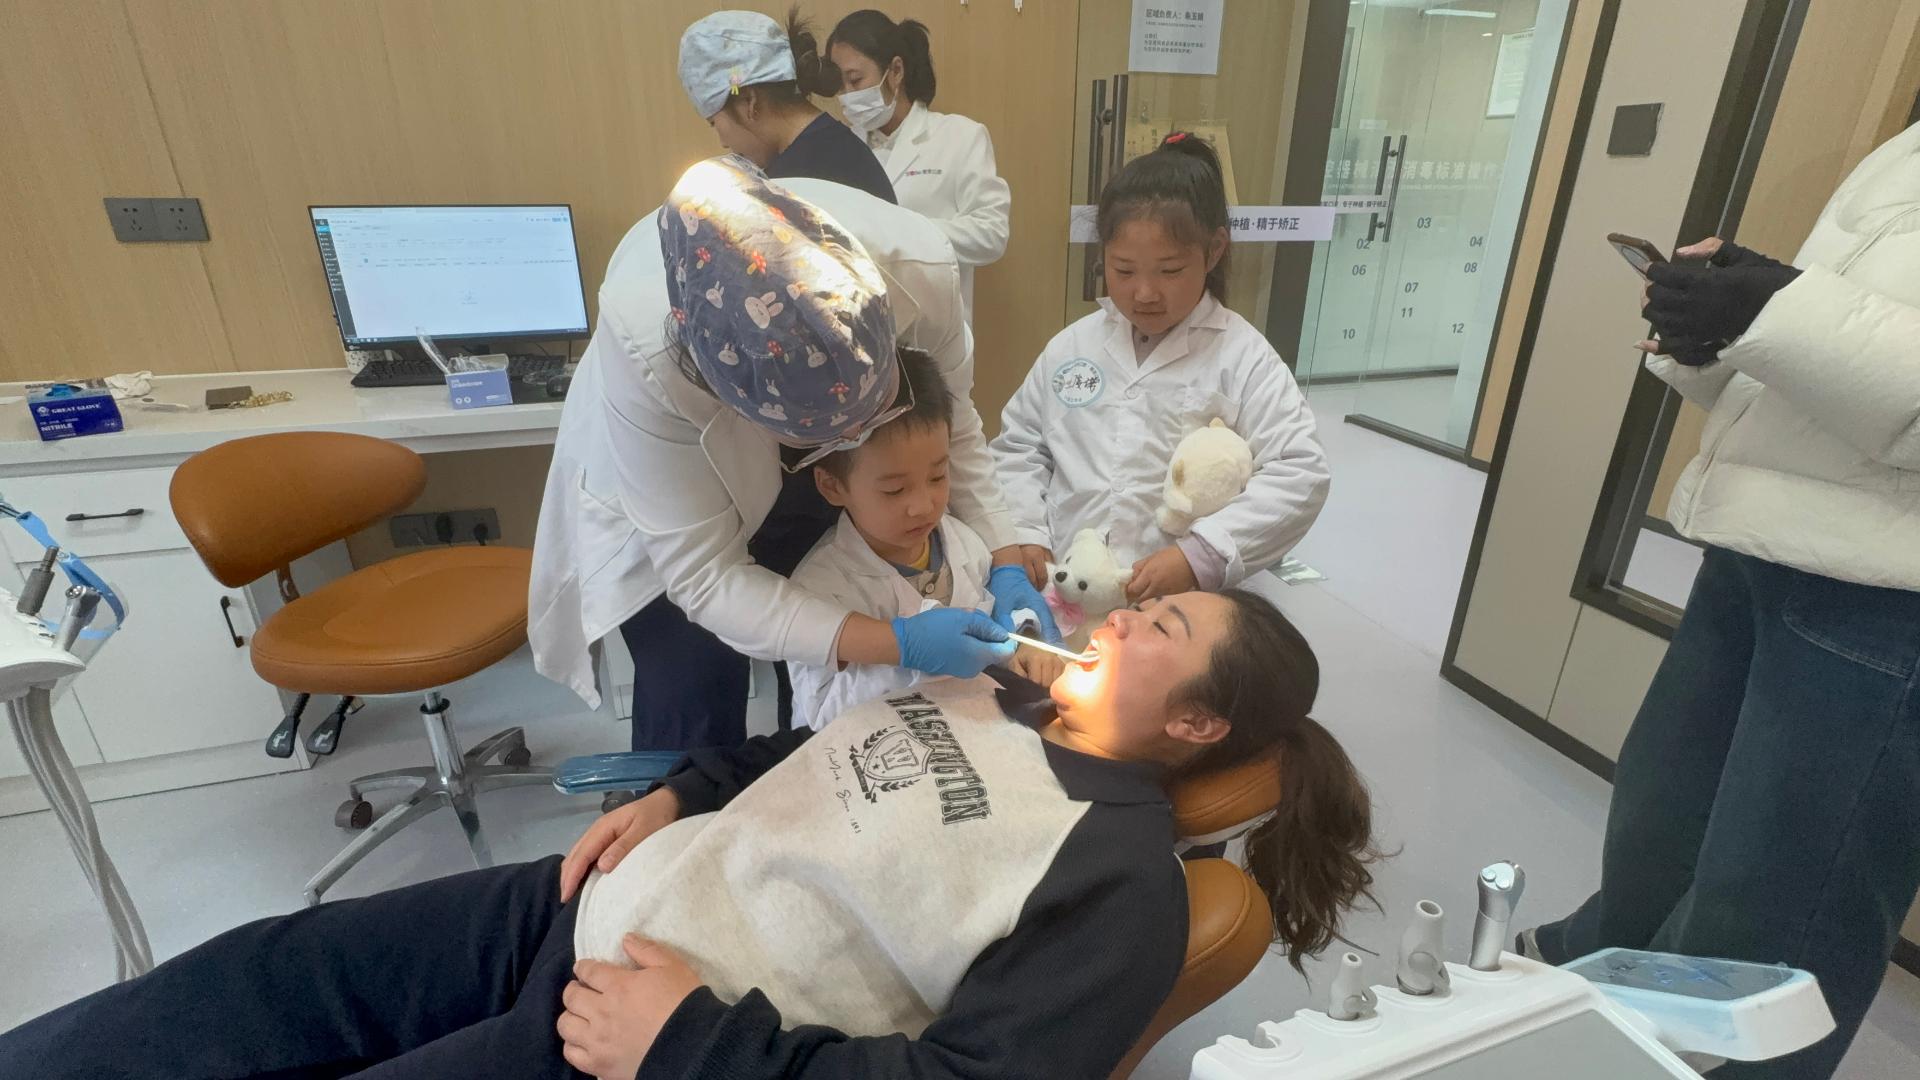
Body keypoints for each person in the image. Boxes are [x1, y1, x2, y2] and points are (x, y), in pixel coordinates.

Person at [0, 590, 1382, 1080]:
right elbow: (797, 757)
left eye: (1164, 627)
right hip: (575, 902)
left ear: (1196, 724)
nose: (1123, 612)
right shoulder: (986, 690)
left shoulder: (1120, 884)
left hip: (640, 1031)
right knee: (251, 981)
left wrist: (685, 1048)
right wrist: (678, 792)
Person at [1522, 120, 1920, 1080]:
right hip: (1760, 542)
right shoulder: (1903, 149)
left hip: (1886, 595)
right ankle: (1603, 1015)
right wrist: (1721, 332)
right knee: (1660, 829)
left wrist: (1780, 310)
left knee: (1777, 919)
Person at [530, 157, 1055, 754]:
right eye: (830, 435)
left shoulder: (918, 268)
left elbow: (950, 426)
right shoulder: (647, 358)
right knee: (692, 689)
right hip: (674, 505)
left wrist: (1005, 561)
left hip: (847, 484)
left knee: (806, 682)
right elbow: (706, 577)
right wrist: (899, 643)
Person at [992, 132, 1330, 602]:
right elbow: (1021, 446)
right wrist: (1027, 530)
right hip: (1067, 584)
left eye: (1169, 271)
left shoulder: (1242, 356)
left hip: (1178, 602)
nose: (1145, 292)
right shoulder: (1073, 347)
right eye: (1123, 270)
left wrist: (1200, 555)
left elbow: (1301, 472)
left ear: (1214, 250)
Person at [789, 348, 1068, 729]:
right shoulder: (819, 587)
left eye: (938, 477)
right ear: (833, 486)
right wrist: (908, 660)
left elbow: (995, 640)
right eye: (894, 490)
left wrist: (1024, 646)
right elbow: (818, 713)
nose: (923, 506)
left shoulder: (967, 547)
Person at [828, 10, 1011, 320]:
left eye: (856, 80)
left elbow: (991, 235)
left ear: (896, 71)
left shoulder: (959, 136)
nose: (847, 95)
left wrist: (903, 230)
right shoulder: (840, 147)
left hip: (936, 325)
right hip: (862, 322)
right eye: (840, 84)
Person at [678, 9, 895, 203]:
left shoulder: (794, 187)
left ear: (748, 101)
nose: (723, 143)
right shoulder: (840, 147)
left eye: (713, 122)